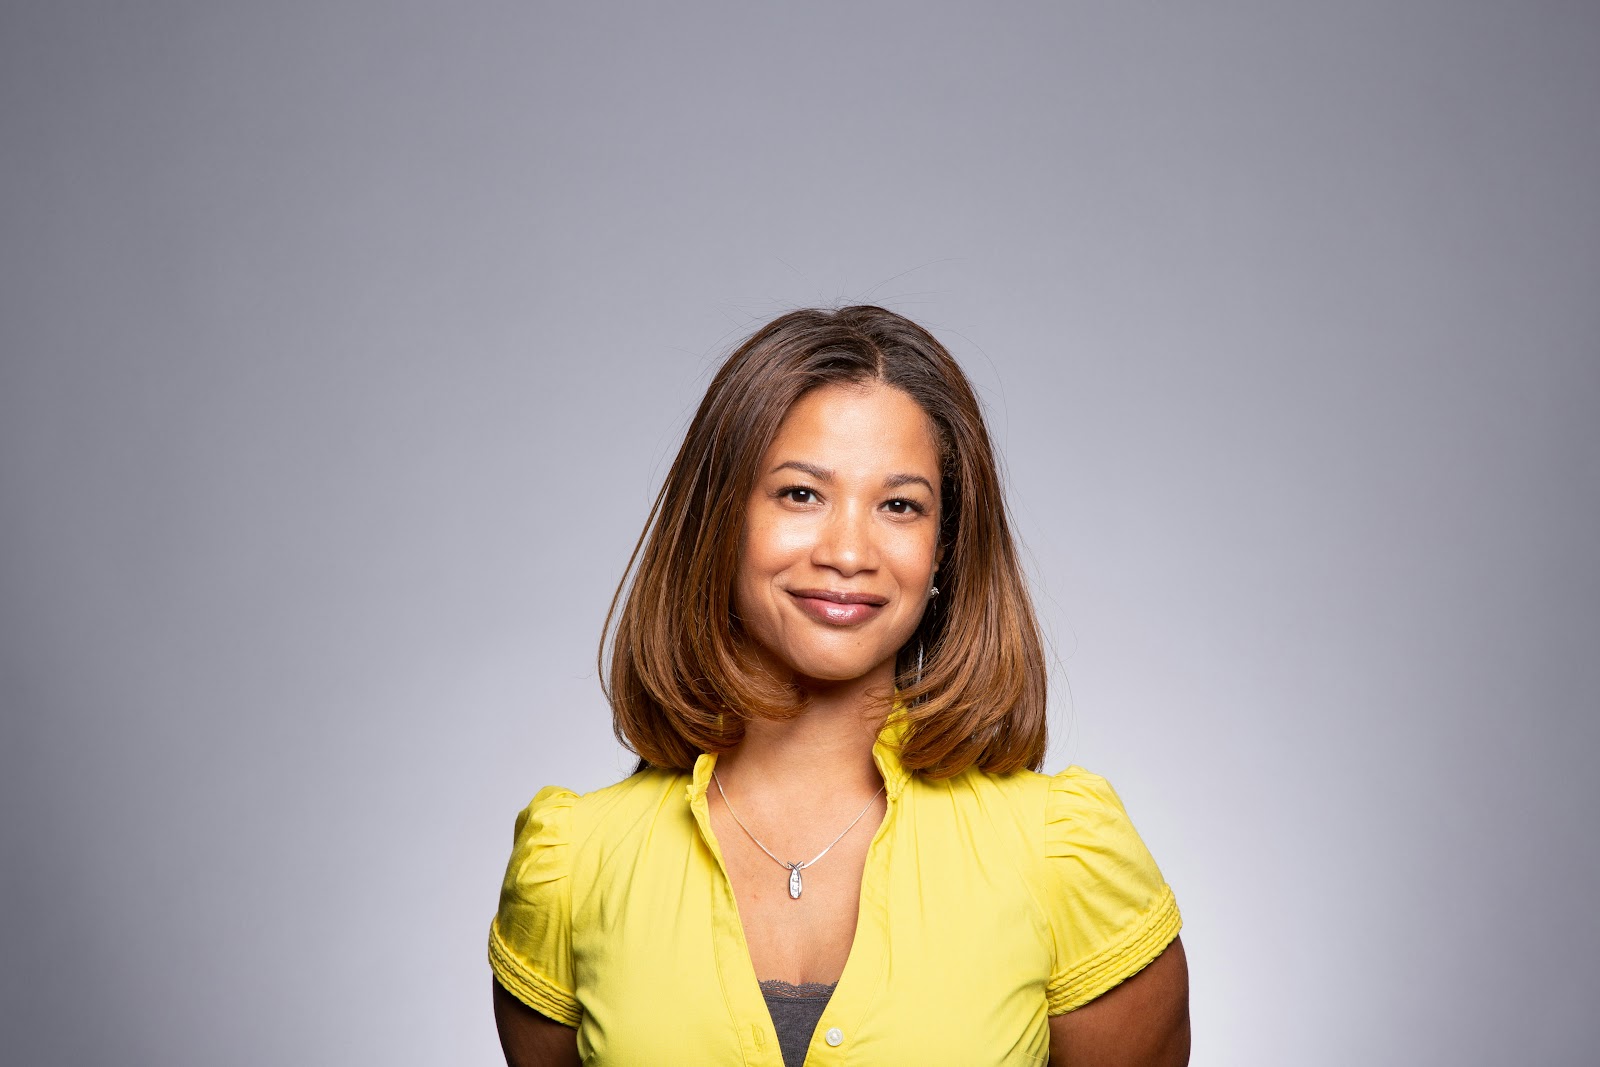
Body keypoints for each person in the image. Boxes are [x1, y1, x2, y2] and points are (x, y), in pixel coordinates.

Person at [489, 306, 1189, 1066]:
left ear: (942, 550)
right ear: (719, 519)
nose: (849, 551)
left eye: (899, 505)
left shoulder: (1064, 857)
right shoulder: (574, 866)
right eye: (800, 494)